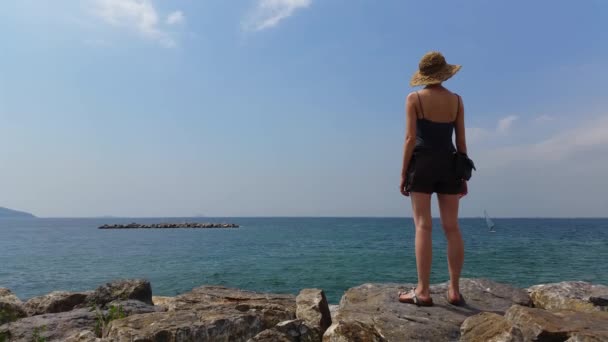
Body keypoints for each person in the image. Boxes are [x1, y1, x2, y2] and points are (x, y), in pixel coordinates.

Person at [398, 51, 468, 306]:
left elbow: (409, 139)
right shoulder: (457, 101)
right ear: (444, 73)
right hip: (450, 164)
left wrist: (404, 172)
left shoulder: (414, 98)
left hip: (423, 164)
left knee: (423, 226)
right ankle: (454, 290)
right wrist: (463, 174)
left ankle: (423, 291)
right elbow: (460, 141)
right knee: (452, 227)